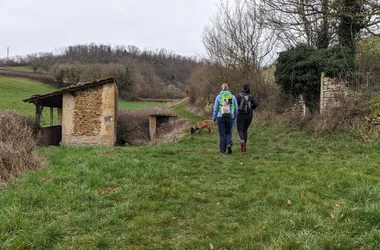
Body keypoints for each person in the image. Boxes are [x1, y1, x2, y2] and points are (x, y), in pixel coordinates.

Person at [212, 83, 238, 155]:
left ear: (221, 89)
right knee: (228, 132)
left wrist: (214, 118)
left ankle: (222, 151)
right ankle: (228, 144)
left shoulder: (219, 97)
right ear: (228, 88)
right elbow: (236, 109)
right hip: (230, 117)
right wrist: (234, 117)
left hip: (220, 117)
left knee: (222, 134)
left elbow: (215, 108)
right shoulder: (232, 97)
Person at [235, 83, 258, 152]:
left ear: (242, 88)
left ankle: (242, 142)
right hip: (249, 115)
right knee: (245, 130)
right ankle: (244, 146)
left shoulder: (238, 96)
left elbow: (234, 104)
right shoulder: (251, 96)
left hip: (240, 114)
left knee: (240, 130)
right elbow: (256, 103)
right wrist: (251, 108)